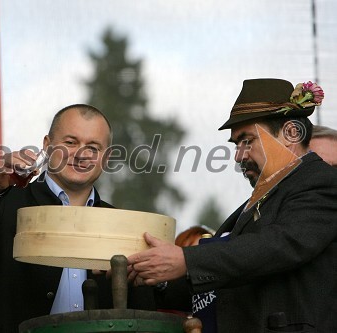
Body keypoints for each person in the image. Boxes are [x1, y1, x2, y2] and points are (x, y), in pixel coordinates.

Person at [127, 79, 337, 332]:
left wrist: (186, 260)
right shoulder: (260, 199)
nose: (239, 156)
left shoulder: (323, 182)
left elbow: (281, 244)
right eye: (236, 145)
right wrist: (155, 273)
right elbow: (230, 271)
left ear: (291, 133)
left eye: (247, 140)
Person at [0, 104, 155, 333]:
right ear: (47, 145)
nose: (81, 154)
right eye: (70, 142)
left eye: (93, 147)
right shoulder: (7, 203)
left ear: (107, 157)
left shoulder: (120, 224)